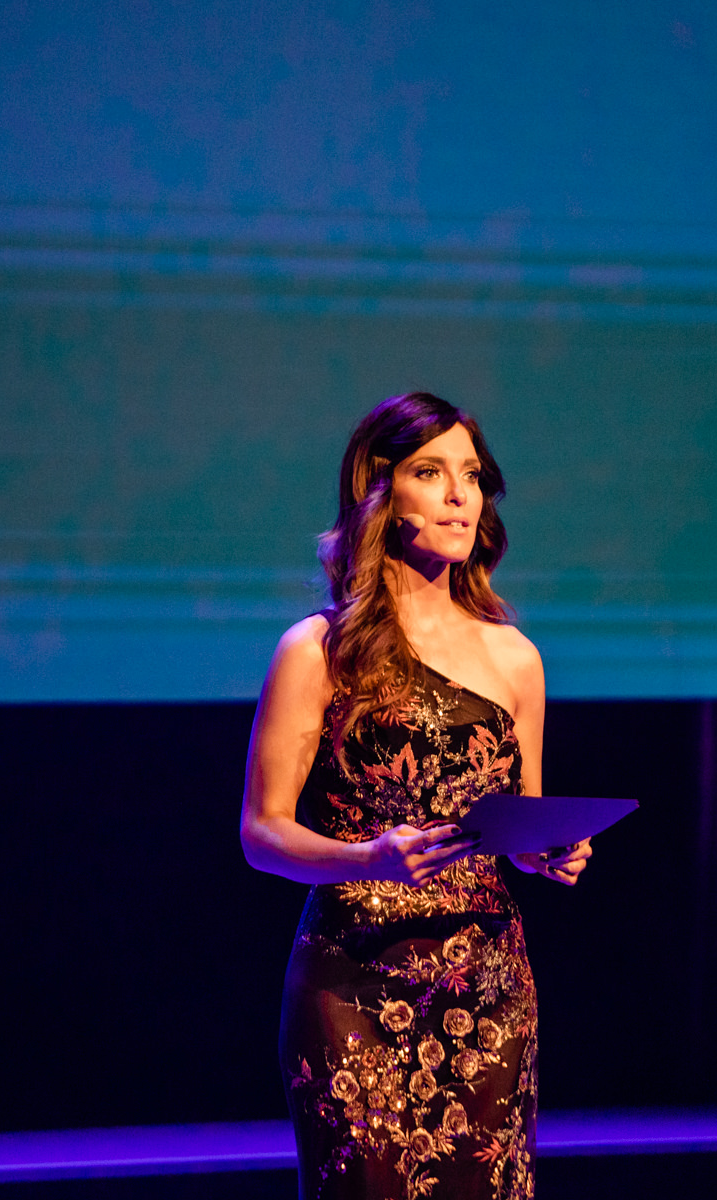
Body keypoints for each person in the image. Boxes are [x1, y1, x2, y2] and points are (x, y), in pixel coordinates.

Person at [241, 392, 591, 1200]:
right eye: (432, 473)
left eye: (472, 476)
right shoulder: (318, 651)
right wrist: (369, 858)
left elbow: (521, 824)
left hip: (488, 989)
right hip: (353, 984)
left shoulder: (516, 657)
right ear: (380, 490)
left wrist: (549, 853)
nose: (460, 495)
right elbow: (261, 832)